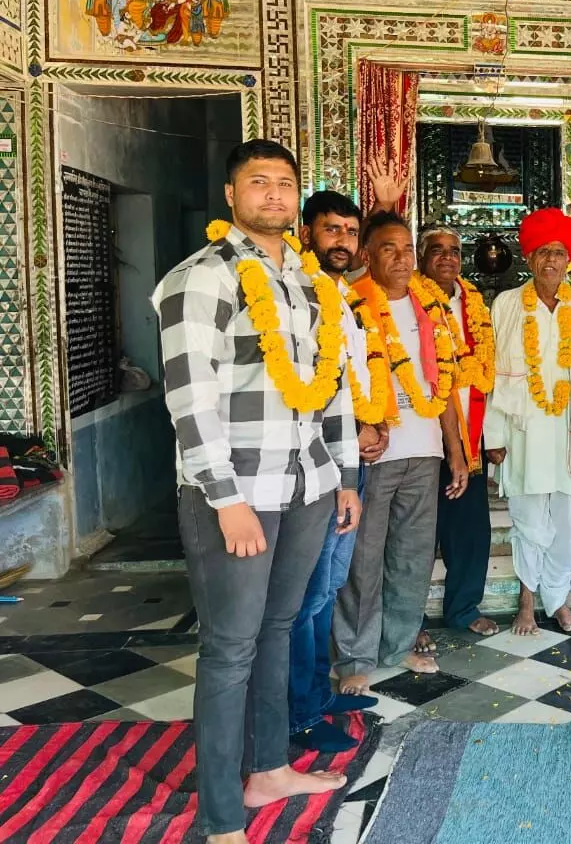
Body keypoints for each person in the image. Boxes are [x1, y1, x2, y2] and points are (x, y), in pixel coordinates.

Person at [152, 139, 361, 843]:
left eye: (284, 184)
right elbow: (190, 401)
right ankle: (220, 817)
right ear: (231, 195)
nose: (274, 194)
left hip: (308, 485)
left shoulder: (310, 281)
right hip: (237, 494)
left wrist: (344, 476)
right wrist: (227, 499)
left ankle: (269, 769)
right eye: (258, 182)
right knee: (229, 648)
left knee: (278, 628)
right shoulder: (201, 278)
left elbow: (332, 388)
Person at [332, 210, 469, 694]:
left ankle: (398, 644)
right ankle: (355, 655)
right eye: (388, 248)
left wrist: (455, 450)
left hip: (423, 451)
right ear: (367, 256)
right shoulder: (351, 304)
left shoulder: (430, 307)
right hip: (373, 454)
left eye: (407, 249)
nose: (401, 258)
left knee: (412, 557)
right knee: (363, 559)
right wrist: (358, 430)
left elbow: (444, 386)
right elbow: (338, 381)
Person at [286, 191, 385, 753]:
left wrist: (370, 426)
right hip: (317, 467)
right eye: (332, 230)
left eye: (350, 231)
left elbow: (354, 381)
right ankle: (298, 713)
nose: (343, 241)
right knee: (305, 596)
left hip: (348, 462)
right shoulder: (298, 294)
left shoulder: (342, 296)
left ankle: (318, 695)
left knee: (326, 588)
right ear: (307, 233)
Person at [484, 207, 571, 635]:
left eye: (558, 253)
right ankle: (526, 601)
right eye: (542, 252)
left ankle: (558, 600)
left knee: (567, 525)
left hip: (570, 432)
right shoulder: (507, 304)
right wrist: (494, 435)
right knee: (528, 519)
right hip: (523, 432)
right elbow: (494, 373)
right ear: (529, 258)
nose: (551, 260)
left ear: (569, 260)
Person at [416, 224, 499, 637]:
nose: (447, 257)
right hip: (421, 435)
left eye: (454, 251)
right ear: (421, 257)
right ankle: (409, 622)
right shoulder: (409, 298)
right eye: (437, 250)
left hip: (470, 434)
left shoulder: (473, 302)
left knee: (470, 531)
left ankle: (463, 609)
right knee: (416, 535)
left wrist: (491, 437)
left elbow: (488, 372)